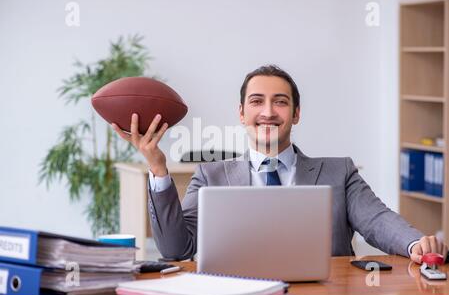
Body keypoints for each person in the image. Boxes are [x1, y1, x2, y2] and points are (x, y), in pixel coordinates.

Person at [112, 65, 447, 264]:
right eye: (257, 101)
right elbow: (175, 249)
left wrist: (414, 243)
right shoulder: (210, 175)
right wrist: (158, 168)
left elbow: (378, 221)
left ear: (296, 114)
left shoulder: (338, 172)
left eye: (281, 102)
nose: (269, 112)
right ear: (241, 114)